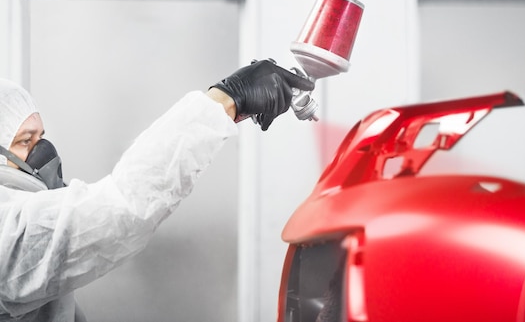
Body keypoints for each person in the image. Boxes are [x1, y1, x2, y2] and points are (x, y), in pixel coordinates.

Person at [0, 59, 314, 322]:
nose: (44, 152)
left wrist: (226, 111)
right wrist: (225, 100)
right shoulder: (7, 232)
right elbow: (122, 207)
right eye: (25, 142)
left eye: (41, 137)